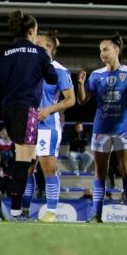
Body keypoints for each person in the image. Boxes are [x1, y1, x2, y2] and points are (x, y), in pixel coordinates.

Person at [0, 10, 59, 221]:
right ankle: (16, 211)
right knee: (25, 160)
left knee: (23, 157)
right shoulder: (39, 53)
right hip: (27, 109)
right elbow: (52, 78)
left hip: (7, 109)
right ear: (31, 31)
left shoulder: (5, 52)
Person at [76, 32, 127, 223]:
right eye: (100, 50)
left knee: (126, 171)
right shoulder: (96, 76)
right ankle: (97, 215)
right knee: (100, 172)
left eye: (105, 49)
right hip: (101, 130)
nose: (102, 53)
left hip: (123, 130)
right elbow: (82, 101)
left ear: (117, 50)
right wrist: (81, 84)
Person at [28, 30, 75, 222]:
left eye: (41, 45)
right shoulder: (29, 69)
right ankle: (23, 210)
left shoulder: (60, 71)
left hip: (48, 126)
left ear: (51, 49)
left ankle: (52, 212)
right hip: (28, 124)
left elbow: (70, 99)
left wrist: (49, 109)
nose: (37, 47)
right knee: (27, 168)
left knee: (48, 168)